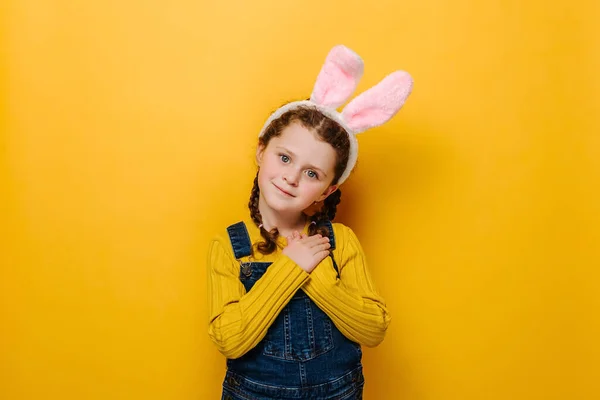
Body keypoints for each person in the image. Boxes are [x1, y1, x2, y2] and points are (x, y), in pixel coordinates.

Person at [207, 44, 413, 399]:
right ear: (261, 150)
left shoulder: (340, 241)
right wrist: (291, 267)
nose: (291, 178)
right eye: (284, 158)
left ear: (327, 190)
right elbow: (230, 339)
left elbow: (374, 328)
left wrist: (317, 277)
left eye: (311, 173)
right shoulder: (230, 246)